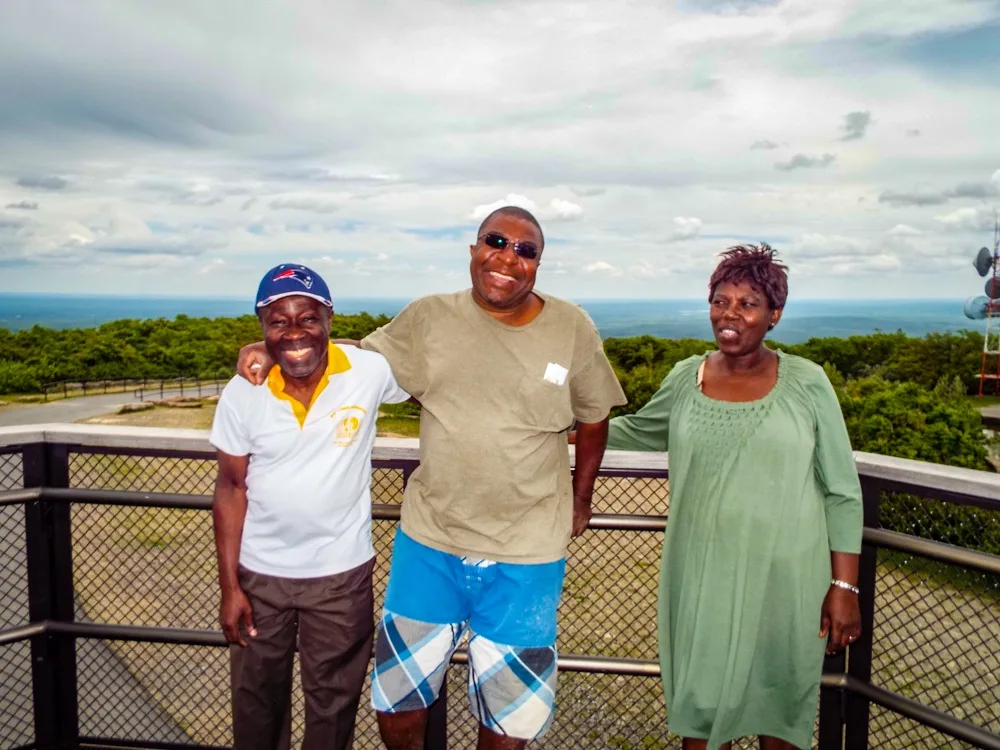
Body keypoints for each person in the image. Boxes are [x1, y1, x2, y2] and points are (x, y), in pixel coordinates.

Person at [237, 207, 627, 749]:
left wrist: (582, 497)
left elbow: (594, 415)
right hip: (430, 542)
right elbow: (351, 358)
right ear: (473, 250)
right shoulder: (428, 319)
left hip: (528, 552)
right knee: (397, 698)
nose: (508, 257)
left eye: (525, 249)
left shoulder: (571, 328)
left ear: (538, 263)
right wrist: (271, 347)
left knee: (508, 719)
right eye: (496, 241)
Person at [604, 245, 863, 750]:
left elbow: (842, 490)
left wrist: (844, 588)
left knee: (778, 710)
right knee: (699, 715)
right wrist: (565, 432)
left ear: (774, 316)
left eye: (748, 303)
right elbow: (636, 431)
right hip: (701, 578)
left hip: (787, 583)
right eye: (721, 300)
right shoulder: (687, 377)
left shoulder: (808, 383)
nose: (730, 314)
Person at [211, 263, 411, 750]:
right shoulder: (243, 392)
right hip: (261, 575)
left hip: (340, 576)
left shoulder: (368, 372)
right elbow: (231, 487)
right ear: (261, 325)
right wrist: (230, 586)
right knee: (257, 703)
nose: (295, 331)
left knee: (333, 707)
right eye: (278, 321)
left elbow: (424, 368)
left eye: (308, 318)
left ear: (329, 320)